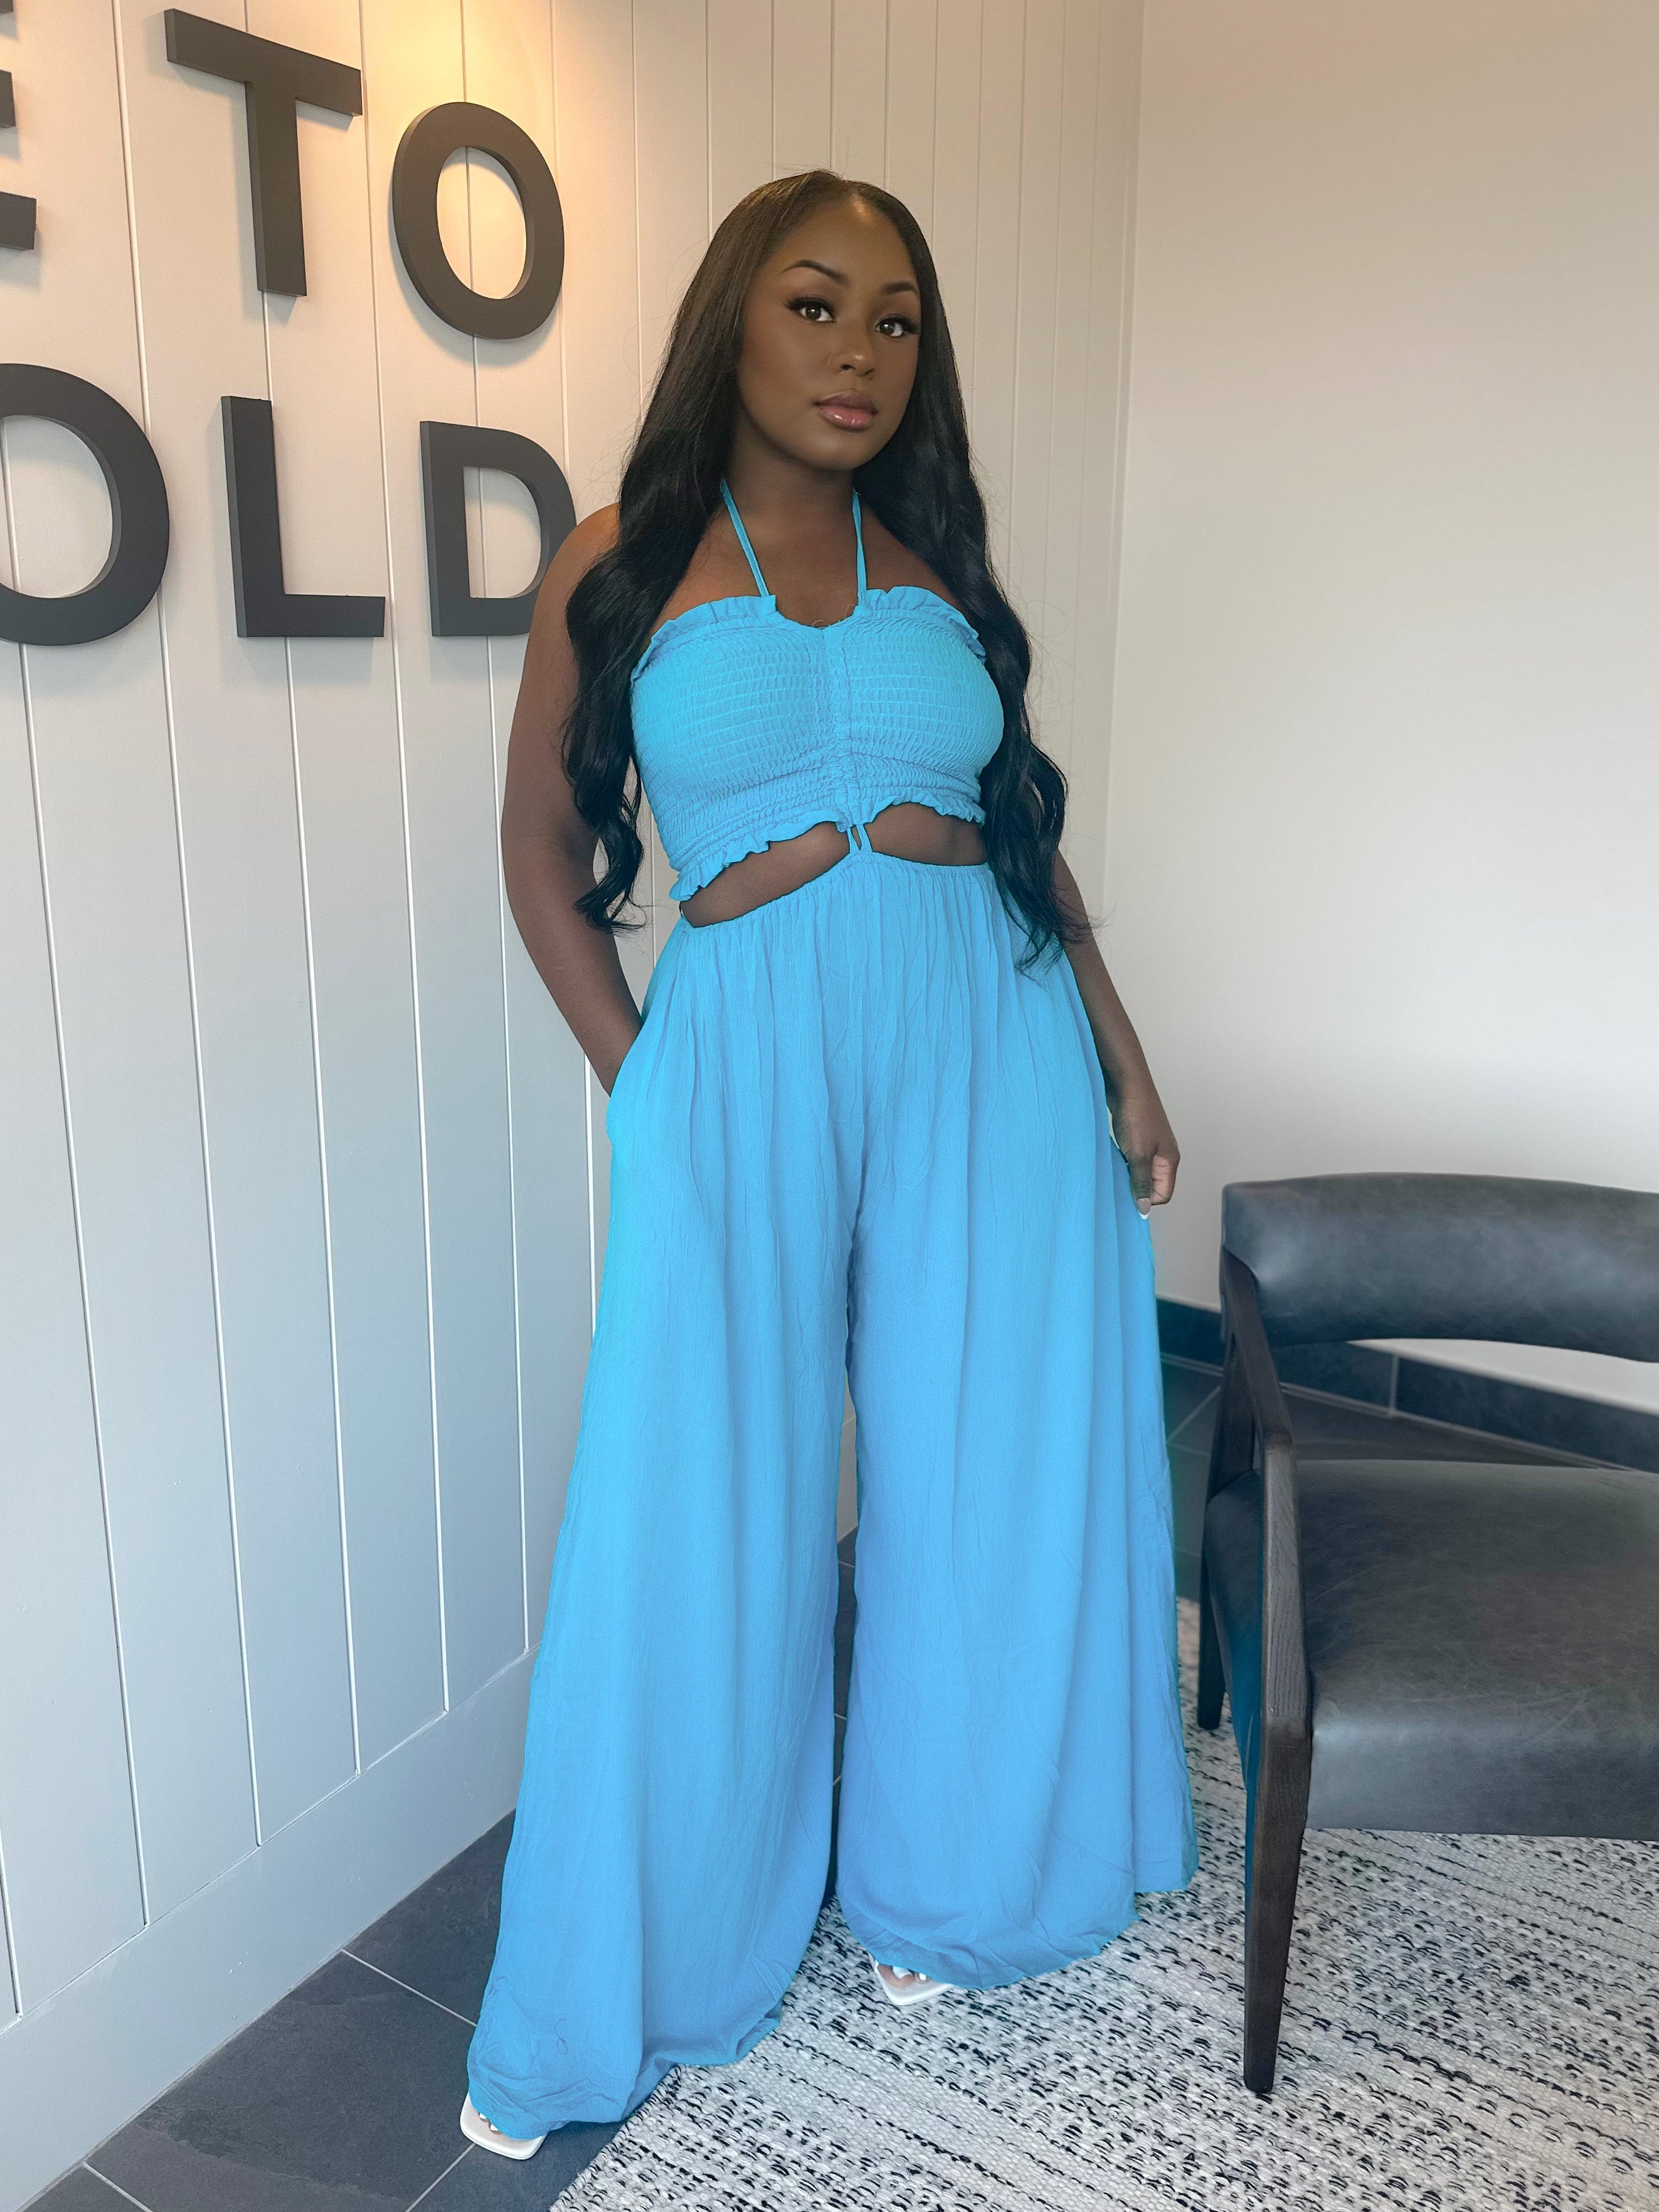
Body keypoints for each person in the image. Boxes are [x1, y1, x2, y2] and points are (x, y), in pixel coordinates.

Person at [459, 168, 1199, 2161]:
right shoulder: (619, 560)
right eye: (815, 305)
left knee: (996, 1464)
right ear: (733, 321)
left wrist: (1124, 1070)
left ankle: (967, 1892)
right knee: (698, 1503)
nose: (859, 352)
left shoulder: (936, 568)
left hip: (989, 1044)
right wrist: (646, 1084)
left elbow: (1022, 838)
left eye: (894, 320)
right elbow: (539, 852)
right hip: (746, 1064)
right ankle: (658, 1963)